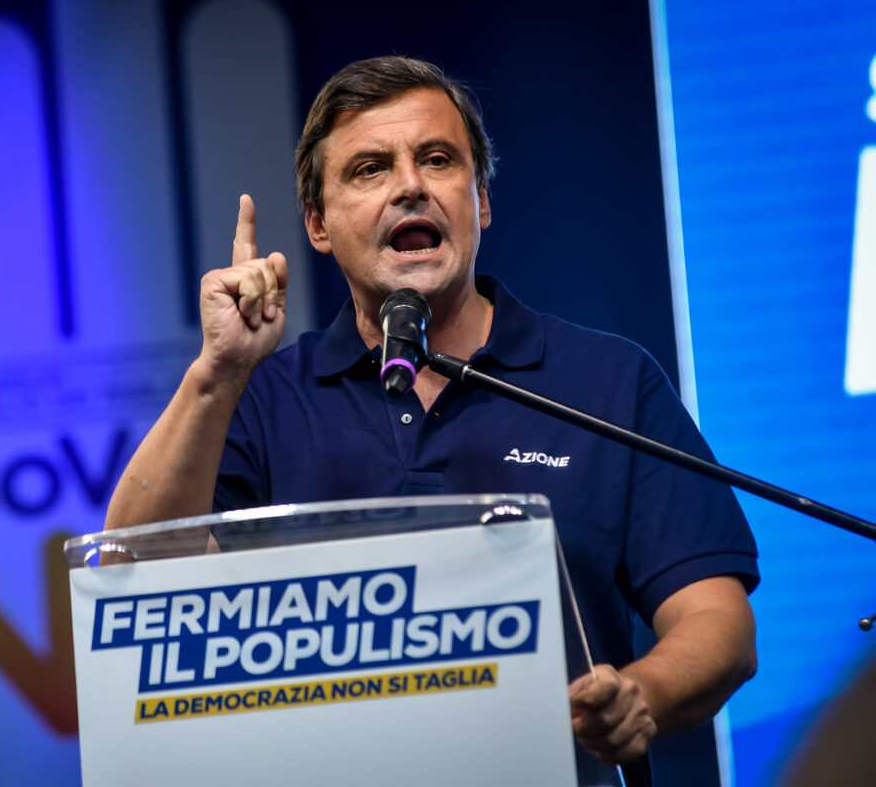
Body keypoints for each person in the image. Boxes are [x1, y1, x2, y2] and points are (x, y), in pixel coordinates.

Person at [105, 55, 758, 784]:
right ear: (318, 224)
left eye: (438, 159)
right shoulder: (260, 401)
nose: (410, 185)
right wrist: (216, 375)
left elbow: (717, 622)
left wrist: (641, 695)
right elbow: (131, 582)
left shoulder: (607, 381)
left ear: (482, 200)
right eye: (370, 169)